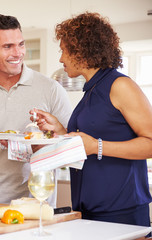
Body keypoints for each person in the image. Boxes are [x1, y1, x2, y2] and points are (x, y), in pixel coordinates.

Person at [35, 12, 152, 228]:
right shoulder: (91, 91)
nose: (61, 59)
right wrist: (60, 131)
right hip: (88, 209)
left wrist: (96, 146)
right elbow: (88, 140)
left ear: (81, 50)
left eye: (63, 50)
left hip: (120, 212)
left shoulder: (120, 86)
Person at [0, 14, 72, 205]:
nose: (17, 53)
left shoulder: (51, 89)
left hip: (36, 202)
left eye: (21, 44)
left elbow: (70, 146)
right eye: (8, 47)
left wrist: (31, 147)